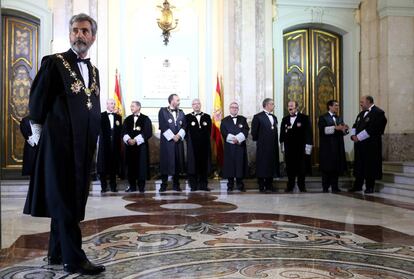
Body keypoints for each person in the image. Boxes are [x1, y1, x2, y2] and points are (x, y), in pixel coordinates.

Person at [22, 14, 105, 275]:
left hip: (83, 148)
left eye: (85, 31)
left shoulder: (94, 71)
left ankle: (57, 252)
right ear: (70, 34)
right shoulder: (54, 63)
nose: (79, 35)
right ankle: (74, 259)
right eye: (75, 30)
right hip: (59, 147)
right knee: (66, 201)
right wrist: (41, 135)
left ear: (92, 37)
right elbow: (37, 104)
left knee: (70, 199)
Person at [349, 95, 387, 194]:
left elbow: (374, 128)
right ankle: (358, 185)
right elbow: (355, 125)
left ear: (369, 101)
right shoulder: (361, 113)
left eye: (362, 102)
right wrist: (353, 135)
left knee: (370, 166)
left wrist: (358, 137)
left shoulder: (378, 113)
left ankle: (370, 187)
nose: (360, 104)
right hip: (360, 145)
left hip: (371, 146)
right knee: (359, 165)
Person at [280, 100, 313, 192]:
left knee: (301, 168)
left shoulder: (304, 118)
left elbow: (308, 133)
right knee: (290, 168)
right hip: (289, 149)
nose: (290, 108)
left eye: (292, 106)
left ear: (297, 107)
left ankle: (301, 185)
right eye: (289, 106)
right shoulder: (285, 119)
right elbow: (282, 134)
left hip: (301, 148)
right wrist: (282, 146)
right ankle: (290, 185)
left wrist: (308, 147)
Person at [318, 100, 349, 193]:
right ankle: (325, 187)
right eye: (335, 105)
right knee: (327, 167)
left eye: (338, 105)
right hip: (327, 147)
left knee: (336, 167)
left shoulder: (339, 118)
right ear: (330, 107)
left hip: (338, 145)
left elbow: (343, 132)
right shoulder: (323, 117)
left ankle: (335, 187)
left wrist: (345, 129)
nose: (337, 107)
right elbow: (322, 130)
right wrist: (335, 128)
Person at [122, 101, 153, 193]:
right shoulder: (127, 119)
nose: (131, 107)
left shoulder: (146, 119)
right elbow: (123, 132)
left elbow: (148, 132)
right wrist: (128, 140)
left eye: (133, 106)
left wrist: (135, 140)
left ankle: (141, 187)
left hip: (141, 147)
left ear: (139, 107)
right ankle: (132, 186)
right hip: (130, 147)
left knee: (141, 166)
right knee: (130, 166)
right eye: (130, 106)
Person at [158, 94, 187, 192]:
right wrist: (172, 136)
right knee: (165, 162)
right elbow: (163, 125)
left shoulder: (182, 112)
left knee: (177, 162)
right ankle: (163, 184)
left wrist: (178, 135)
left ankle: (176, 184)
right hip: (167, 142)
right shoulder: (163, 111)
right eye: (177, 100)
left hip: (178, 142)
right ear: (172, 101)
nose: (179, 102)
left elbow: (184, 126)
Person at [251, 98, 280, 192]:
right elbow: (254, 133)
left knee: (271, 165)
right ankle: (261, 185)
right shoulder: (258, 117)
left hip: (273, 146)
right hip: (263, 146)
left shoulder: (274, 117)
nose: (273, 106)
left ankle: (269, 185)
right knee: (262, 165)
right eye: (272, 104)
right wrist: (261, 141)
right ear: (266, 105)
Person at [220, 102, 249, 192]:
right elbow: (223, 132)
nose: (234, 109)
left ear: (238, 109)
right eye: (232, 107)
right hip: (230, 147)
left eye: (236, 107)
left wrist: (238, 139)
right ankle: (230, 185)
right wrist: (233, 139)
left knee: (240, 165)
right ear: (229, 109)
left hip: (240, 146)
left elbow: (246, 130)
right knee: (230, 166)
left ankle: (240, 185)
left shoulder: (243, 119)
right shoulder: (224, 120)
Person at [185, 99, 212, 191]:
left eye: (198, 104)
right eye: (194, 104)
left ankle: (203, 185)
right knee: (193, 165)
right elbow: (185, 131)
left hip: (204, 145)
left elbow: (210, 130)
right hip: (192, 146)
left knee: (204, 165)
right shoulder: (187, 117)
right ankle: (193, 185)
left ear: (200, 105)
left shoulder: (207, 117)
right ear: (192, 106)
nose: (196, 105)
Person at [97, 99, 122, 192]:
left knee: (113, 165)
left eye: (114, 104)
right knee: (103, 165)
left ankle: (113, 186)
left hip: (115, 144)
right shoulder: (101, 115)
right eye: (111, 103)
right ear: (107, 105)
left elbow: (119, 130)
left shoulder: (118, 117)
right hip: (104, 144)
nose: (113, 105)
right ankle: (103, 187)